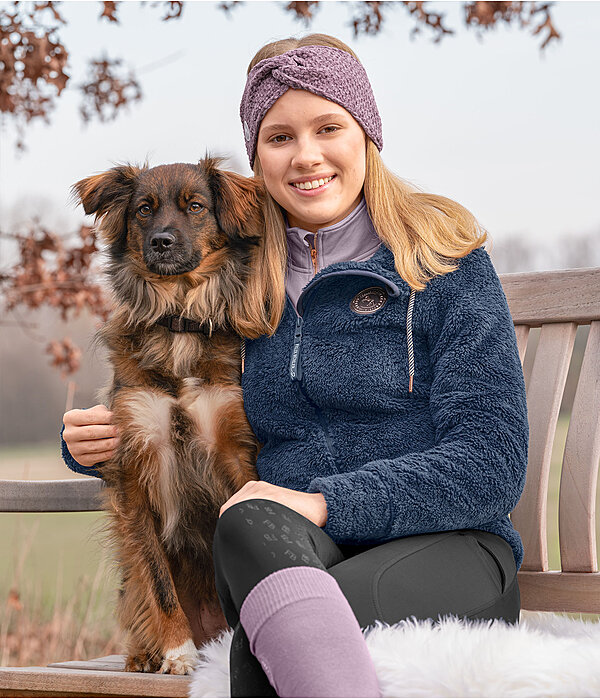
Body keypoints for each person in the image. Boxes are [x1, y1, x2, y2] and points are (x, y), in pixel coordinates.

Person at [61, 33, 529, 698]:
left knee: (271, 636)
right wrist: (92, 440)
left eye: (328, 127)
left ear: (365, 134)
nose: (306, 155)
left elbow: (491, 463)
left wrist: (320, 502)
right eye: (279, 137)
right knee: (250, 524)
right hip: (284, 552)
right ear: (258, 159)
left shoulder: (445, 262)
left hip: (448, 545)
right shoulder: (242, 282)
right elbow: (174, 404)